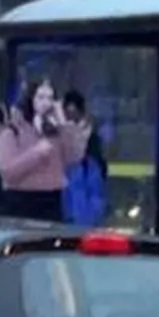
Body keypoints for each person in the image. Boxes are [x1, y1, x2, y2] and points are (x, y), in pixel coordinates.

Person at [0, 78, 85, 223]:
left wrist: (64, 125)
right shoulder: (12, 131)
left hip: (52, 200)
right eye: (41, 97)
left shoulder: (56, 129)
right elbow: (7, 172)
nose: (46, 103)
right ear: (30, 99)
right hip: (21, 200)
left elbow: (74, 156)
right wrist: (36, 153)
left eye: (50, 98)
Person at [61, 89, 108, 228]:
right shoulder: (56, 141)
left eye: (74, 116)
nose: (71, 122)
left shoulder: (92, 151)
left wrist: (91, 217)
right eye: (67, 116)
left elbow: (97, 191)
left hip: (84, 221)